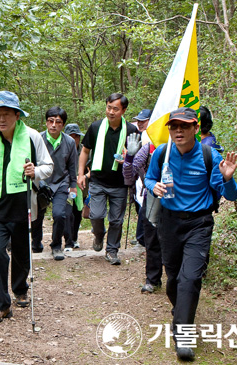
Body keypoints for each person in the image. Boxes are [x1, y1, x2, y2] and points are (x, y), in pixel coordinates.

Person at [144, 107, 237, 361]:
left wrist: (228, 179)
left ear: (195, 129)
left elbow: (231, 195)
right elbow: (149, 178)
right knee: (174, 278)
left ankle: (184, 335)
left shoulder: (210, 156)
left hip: (199, 224)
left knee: (191, 278)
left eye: (184, 126)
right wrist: (154, 187)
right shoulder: (162, 154)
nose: (178, 131)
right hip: (169, 223)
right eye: (174, 126)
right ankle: (181, 312)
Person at [0, 91, 53, 323]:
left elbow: (48, 166)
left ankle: (20, 288)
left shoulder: (32, 137)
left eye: (6, 114)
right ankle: (2, 304)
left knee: (21, 253)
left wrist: (35, 172)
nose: (1, 119)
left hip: (23, 207)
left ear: (17, 115)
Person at [77, 93, 138, 265]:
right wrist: (81, 174)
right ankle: (98, 234)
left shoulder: (131, 131)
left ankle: (112, 251)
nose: (111, 112)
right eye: (109, 108)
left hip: (120, 183)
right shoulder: (96, 127)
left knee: (117, 220)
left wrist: (128, 159)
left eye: (115, 109)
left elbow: (138, 158)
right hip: (97, 181)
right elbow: (85, 151)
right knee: (95, 215)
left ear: (124, 110)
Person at [31, 106, 77, 260]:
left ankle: (56, 246)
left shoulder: (69, 142)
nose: (53, 125)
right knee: (37, 216)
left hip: (61, 183)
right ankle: (36, 243)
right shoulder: (38, 139)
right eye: (50, 121)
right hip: (41, 183)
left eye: (58, 122)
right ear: (46, 122)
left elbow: (72, 166)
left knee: (59, 214)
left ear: (63, 125)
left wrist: (73, 186)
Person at [123, 131, 162, 294]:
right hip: (152, 196)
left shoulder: (190, 149)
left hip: (180, 199)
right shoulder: (149, 148)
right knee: (151, 239)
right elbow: (129, 176)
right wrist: (130, 157)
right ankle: (152, 279)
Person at [128, 109, 151, 247]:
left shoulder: (154, 137)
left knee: (145, 207)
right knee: (139, 205)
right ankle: (141, 238)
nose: (140, 123)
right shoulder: (138, 136)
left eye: (143, 121)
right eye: (139, 121)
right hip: (137, 177)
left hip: (147, 178)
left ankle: (143, 238)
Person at [63, 123, 85, 252]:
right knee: (67, 213)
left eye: (76, 136)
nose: (74, 139)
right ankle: (68, 241)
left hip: (81, 187)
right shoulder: (62, 148)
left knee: (77, 213)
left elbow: (91, 169)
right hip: (66, 185)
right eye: (71, 136)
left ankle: (74, 237)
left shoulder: (84, 150)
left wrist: (83, 177)